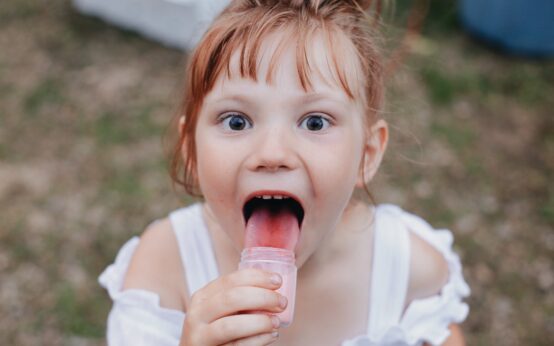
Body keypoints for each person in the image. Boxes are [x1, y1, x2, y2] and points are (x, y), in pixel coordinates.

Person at [98, 0, 471, 345]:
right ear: (191, 149)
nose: (272, 154)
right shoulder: (164, 268)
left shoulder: (410, 271)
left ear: (366, 154)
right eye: (237, 120)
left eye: (314, 122)